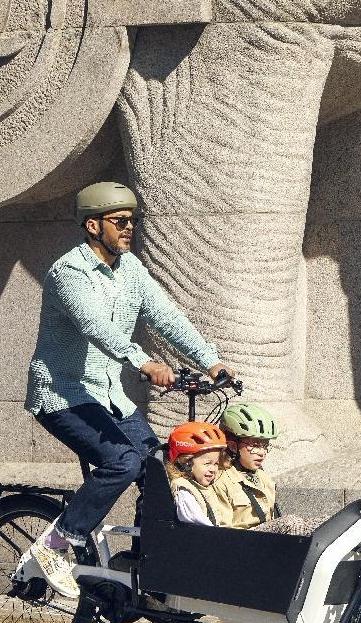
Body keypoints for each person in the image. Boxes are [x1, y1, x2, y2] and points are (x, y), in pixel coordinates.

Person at [16, 182, 234, 598]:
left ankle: (145, 572)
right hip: (63, 395)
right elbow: (96, 327)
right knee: (123, 463)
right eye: (120, 221)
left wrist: (210, 360)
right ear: (93, 225)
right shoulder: (68, 274)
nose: (129, 227)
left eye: (133, 220)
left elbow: (166, 317)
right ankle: (57, 544)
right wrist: (143, 362)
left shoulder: (131, 269)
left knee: (161, 473)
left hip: (111, 395)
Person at [216, 403, 321, 535]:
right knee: (289, 523)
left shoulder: (261, 476)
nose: (262, 452)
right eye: (255, 445)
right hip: (243, 541)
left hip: (268, 540)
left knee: (325, 523)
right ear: (232, 446)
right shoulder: (221, 479)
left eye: (265, 446)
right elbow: (222, 533)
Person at [166, 422, 230, 525]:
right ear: (186, 462)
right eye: (207, 463)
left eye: (216, 463)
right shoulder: (184, 490)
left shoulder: (208, 485)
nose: (213, 469)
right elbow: (200, 523)